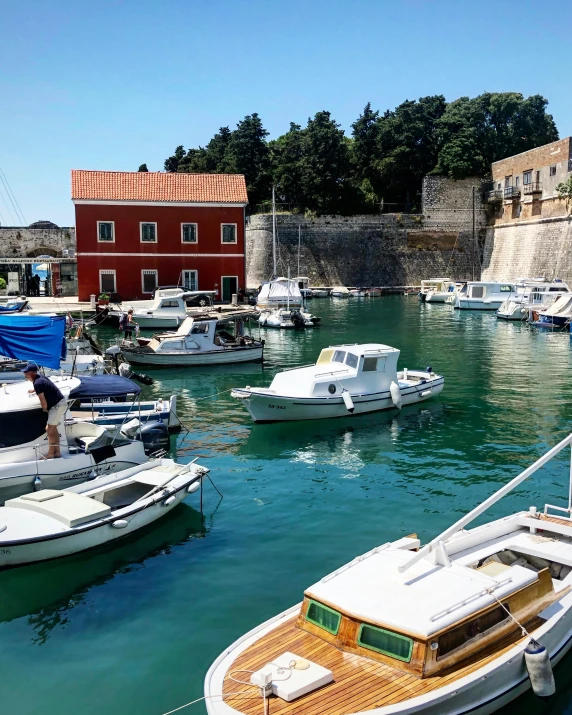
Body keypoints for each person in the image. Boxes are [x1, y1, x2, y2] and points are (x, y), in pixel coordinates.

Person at [22, 363, 67, 458]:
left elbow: (43, 401)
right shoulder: (40, 378)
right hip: (60, 403)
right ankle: (57, 452)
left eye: (26, 373)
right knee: (53, 428)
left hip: (56, 406)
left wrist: (45, 410)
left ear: (31, 374)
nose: (25, 375)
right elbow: (45, 386)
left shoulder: (37, 383)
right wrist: (34, 390)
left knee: (49, 429)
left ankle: (50, 454)